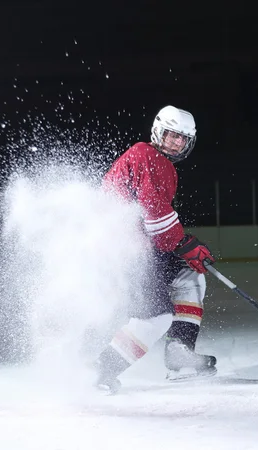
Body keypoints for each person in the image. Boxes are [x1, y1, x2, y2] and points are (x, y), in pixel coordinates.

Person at [94, 105, 216, 394]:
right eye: (173, 135)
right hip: (127, 254)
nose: (177, 143)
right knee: (154, 317)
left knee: (189, 277)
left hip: (139, 248)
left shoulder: (155, 159)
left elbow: (154, 218)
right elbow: (154, 212)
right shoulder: (147, 155)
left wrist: (180, 244)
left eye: (183, 139)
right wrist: (181, 242)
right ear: (158, 131)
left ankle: (180, 355)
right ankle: (100, 371)